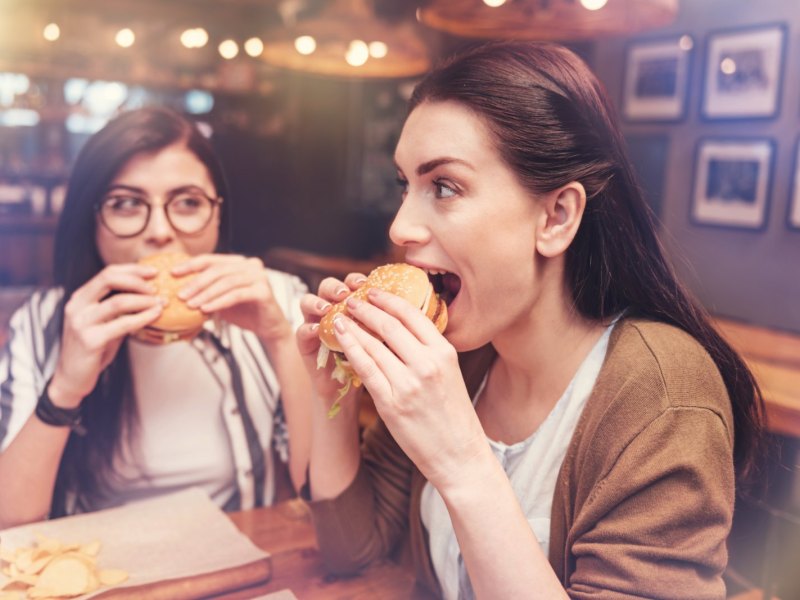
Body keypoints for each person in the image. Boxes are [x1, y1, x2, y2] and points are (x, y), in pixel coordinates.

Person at [295, 41, 765, 599]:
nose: (400, 227)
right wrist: (335, 390)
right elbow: (353, 551)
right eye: (406, 186)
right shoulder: (458, 355)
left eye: (444, 186)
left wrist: (460, 458)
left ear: (556, 216)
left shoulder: (664, 393)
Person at [0, 106, 311, 526]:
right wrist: (66, 387)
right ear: (91, 221)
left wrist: (279, 337)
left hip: (241, 569)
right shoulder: (46, 323)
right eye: (127, 204)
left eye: (187, 202)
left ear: (217, 213)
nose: (160, 230)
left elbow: (322, 502)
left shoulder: (279, 299)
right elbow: (9, 523)